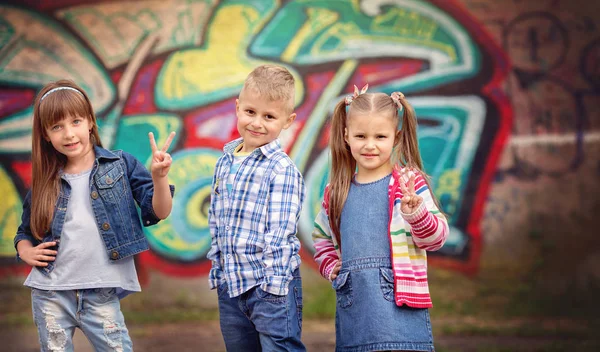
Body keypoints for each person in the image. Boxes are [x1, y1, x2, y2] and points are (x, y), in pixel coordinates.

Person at [14, 79, 176, 351]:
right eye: (57, 126)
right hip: (50, 292)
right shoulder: (44, 182)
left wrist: (159, 178)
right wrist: (25, 250)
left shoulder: (120, 164)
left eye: (75, 121)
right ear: (45, 134)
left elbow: (159, 211)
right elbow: (25, 232)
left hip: (100, 292)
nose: (68, 134)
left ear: (90, 121)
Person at [312, 85, 449, 352]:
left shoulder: (408, 185)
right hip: (356, 315)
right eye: (361, 135)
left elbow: (437, 239)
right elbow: (321, 238)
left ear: (395, 138)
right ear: (346, 136)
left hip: (401, 315)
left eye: (380, 136)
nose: (370, 145)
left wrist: (416, 214)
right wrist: (331, 266)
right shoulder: (336, 192)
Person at [207, 64, 306, 351]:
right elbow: (217, 221)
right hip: (232, 284)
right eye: (250, 112)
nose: (257, 123)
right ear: (238, 107)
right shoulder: (225, 161)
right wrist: (219, 270)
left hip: (269, 287)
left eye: (269, 116)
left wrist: (274, 288)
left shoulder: (281, 169)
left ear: (287, 121)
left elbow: (280, 234)